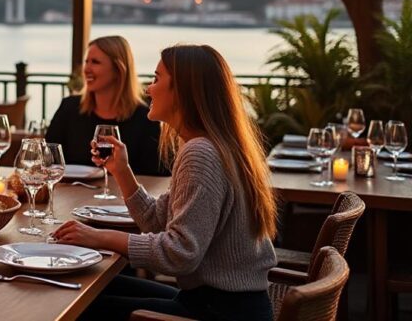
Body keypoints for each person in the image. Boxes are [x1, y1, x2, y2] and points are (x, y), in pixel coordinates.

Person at [52, 45, 278, 321]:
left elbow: (180, 253)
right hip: (219, 302)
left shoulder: (201, 153)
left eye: (157, 79)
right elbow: (156, 220)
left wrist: (99, 237)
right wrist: (122, 171)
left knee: (77, 304)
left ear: (182, 91)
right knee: (90, 285)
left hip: (219, 312)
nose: (148, 89)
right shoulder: (209, 145)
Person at [46, 36, 168, 176]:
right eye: (87, 62)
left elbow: (158, 174)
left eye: (95, 62)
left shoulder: (144, 117)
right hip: (70, 195)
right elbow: (48, 158)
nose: (87, 69)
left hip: (124, 197)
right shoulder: (69, 108)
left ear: (118, 70)